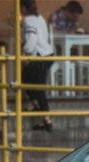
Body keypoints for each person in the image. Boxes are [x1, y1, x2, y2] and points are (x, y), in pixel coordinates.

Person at [20, 0, 54, 132]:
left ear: (23, 7)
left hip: (39, 57)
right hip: (47, 55)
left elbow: (32, 39)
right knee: (26, 80)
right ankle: (36, 107)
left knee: (39, 90)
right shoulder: (39, 18)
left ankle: (47, 121)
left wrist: (25, 52)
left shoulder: (29, 20)